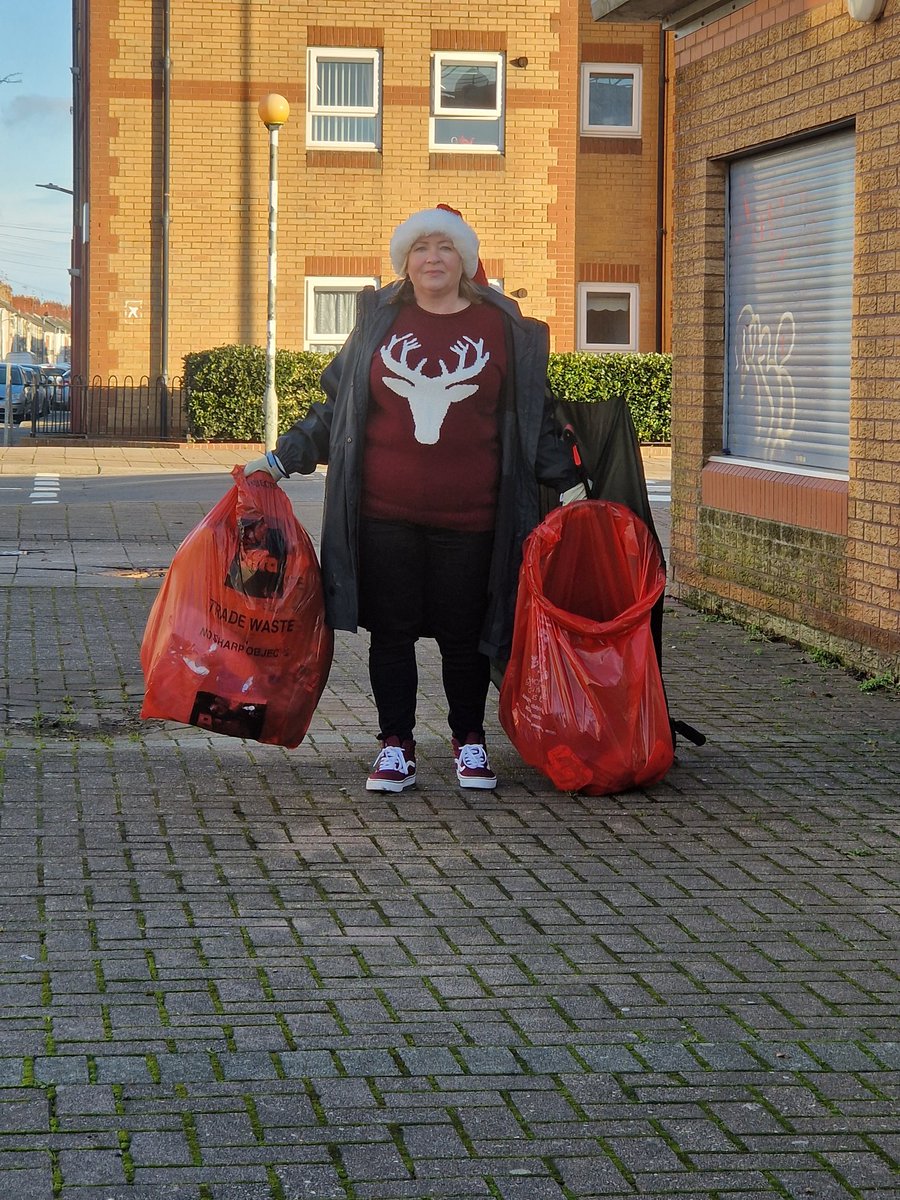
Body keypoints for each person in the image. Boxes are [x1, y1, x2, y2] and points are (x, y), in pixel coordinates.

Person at [245, 206, 585, 792]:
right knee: (393, 633)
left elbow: (533, 419)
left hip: (474, 516)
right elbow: (337, 408)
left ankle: (469, 741)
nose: (434, 259)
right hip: (384, 514)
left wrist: (573, 485)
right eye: (422, 248)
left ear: (466, 261)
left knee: (467, 633)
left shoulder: (502, 330)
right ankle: (394, 745)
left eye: (446, 248)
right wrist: (281, 460)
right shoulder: (379, 323)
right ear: (406, 260)